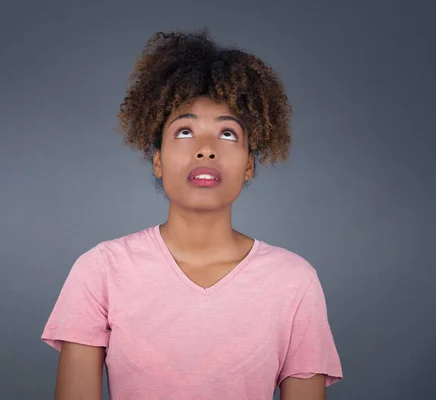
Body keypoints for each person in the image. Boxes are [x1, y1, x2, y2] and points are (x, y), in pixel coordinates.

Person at [41, 30, 343, 400]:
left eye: (228, 134)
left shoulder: (295, 282)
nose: (205, 150)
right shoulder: (100, 270)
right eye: (185, 131)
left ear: (249, 165)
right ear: (157, 160)